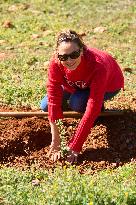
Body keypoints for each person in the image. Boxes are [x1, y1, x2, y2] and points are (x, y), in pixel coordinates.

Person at [40, 30, 124, 163]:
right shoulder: (55, 63)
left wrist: (75, 144)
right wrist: (56, 141)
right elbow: (53, 102)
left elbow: (92, 107)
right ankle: (79, 95)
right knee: (44, 106)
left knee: (77, 103)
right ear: (57, 55)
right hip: (77, 83)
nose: (69, 60)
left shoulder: (98, 65)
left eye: (74, 54)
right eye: (64, 57)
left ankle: (95, 107)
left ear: (82, 50)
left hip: (109, 85)